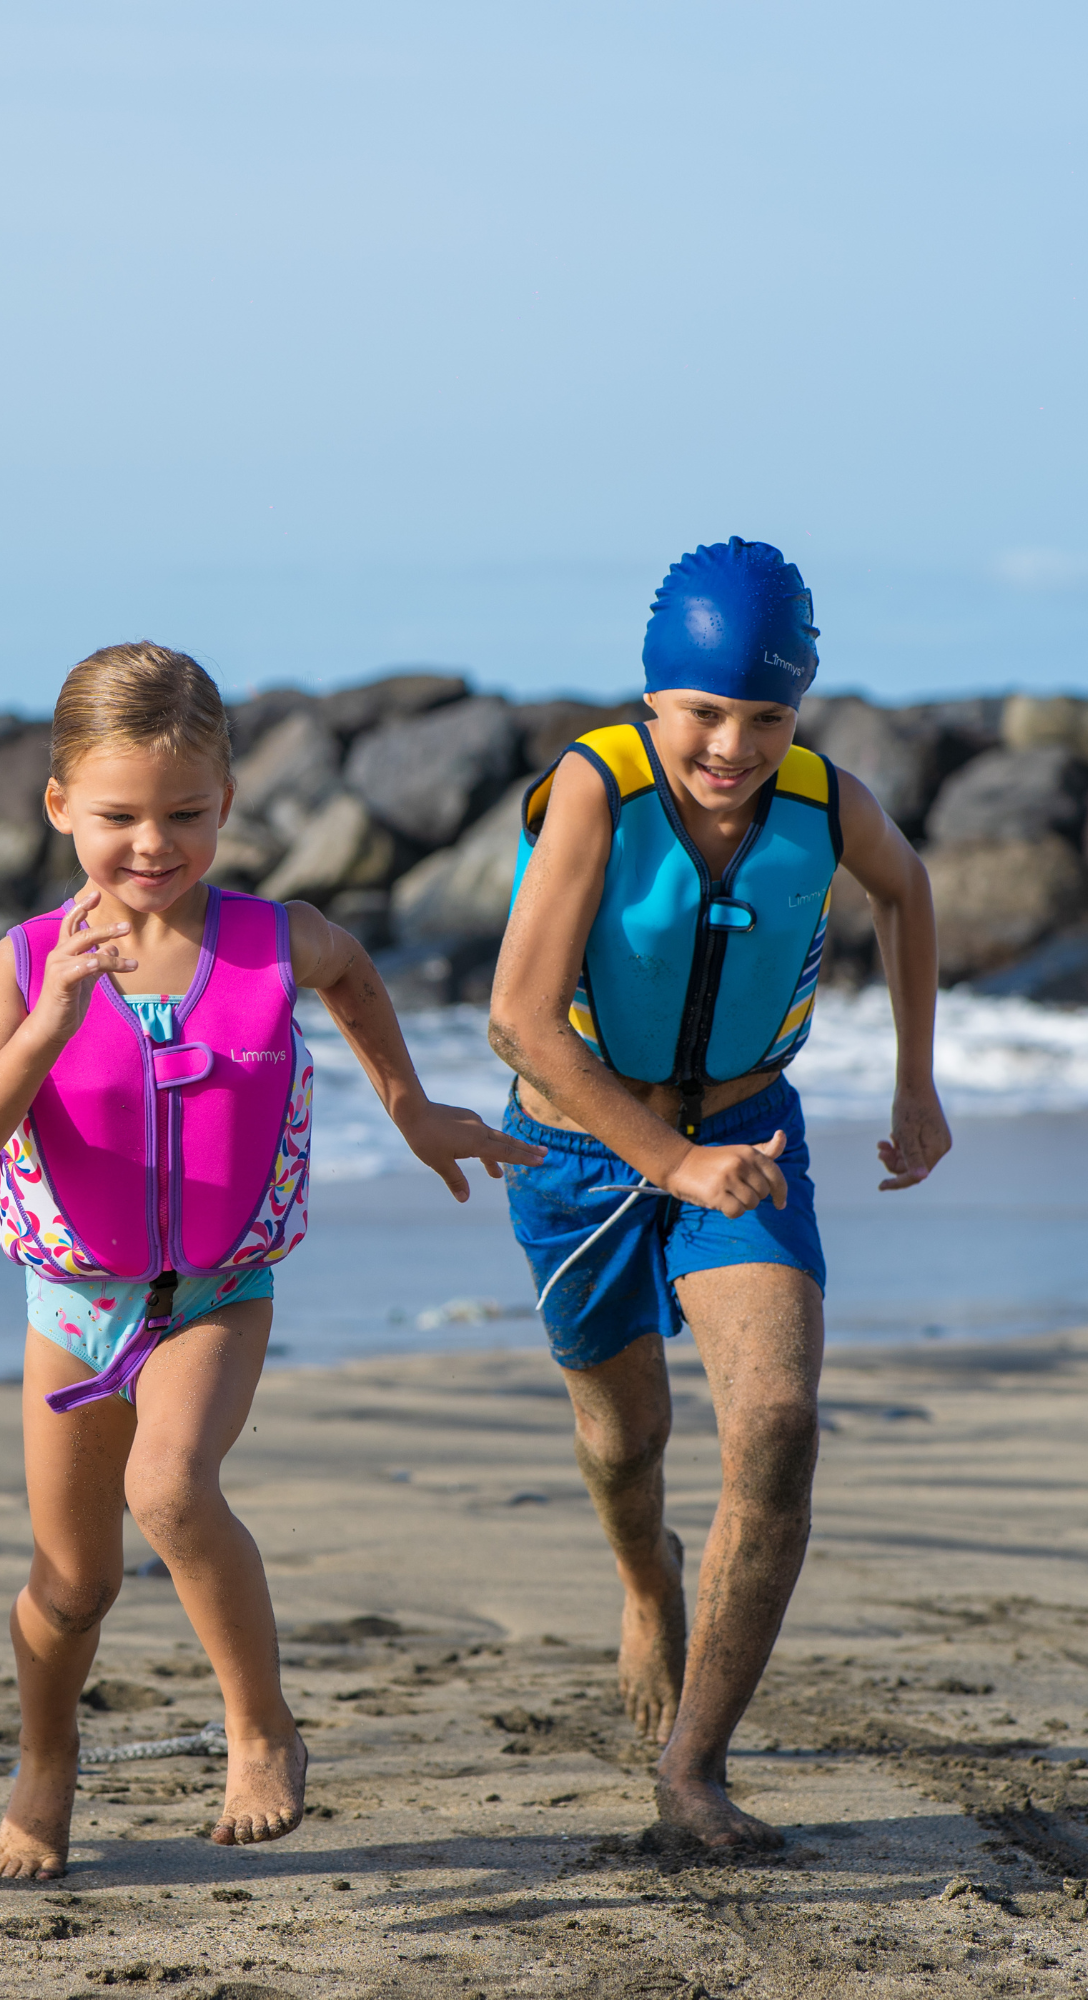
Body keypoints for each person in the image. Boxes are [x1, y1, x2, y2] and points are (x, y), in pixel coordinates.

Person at [0, 642, 542, 1881]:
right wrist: (49, 1021)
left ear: (225, 804)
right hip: (74, 1305)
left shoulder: (278, 940)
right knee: (69, 1583)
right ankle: (45, 1759)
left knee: (169, 1484)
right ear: (58, 807)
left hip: (220, 1293)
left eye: (183, 814)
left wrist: (412, 1108)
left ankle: (260, 1728)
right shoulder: (21, 962)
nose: (150, 844)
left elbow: (357, 979)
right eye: (116, 816)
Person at [488, 537, 950, 1850]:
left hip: (747, 1135)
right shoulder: (597, 790)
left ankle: (693, 1768)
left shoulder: (826, 800)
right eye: (703, 712)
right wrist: (662, 1158)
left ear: (798, 709)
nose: (733, 746)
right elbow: (521, 1021)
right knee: (627, 1445)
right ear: (653, 698)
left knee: (781, 1425)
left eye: (766, 715)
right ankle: (647, 1582)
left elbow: (907, 895)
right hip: (579, 1155)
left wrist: (918, 1086)